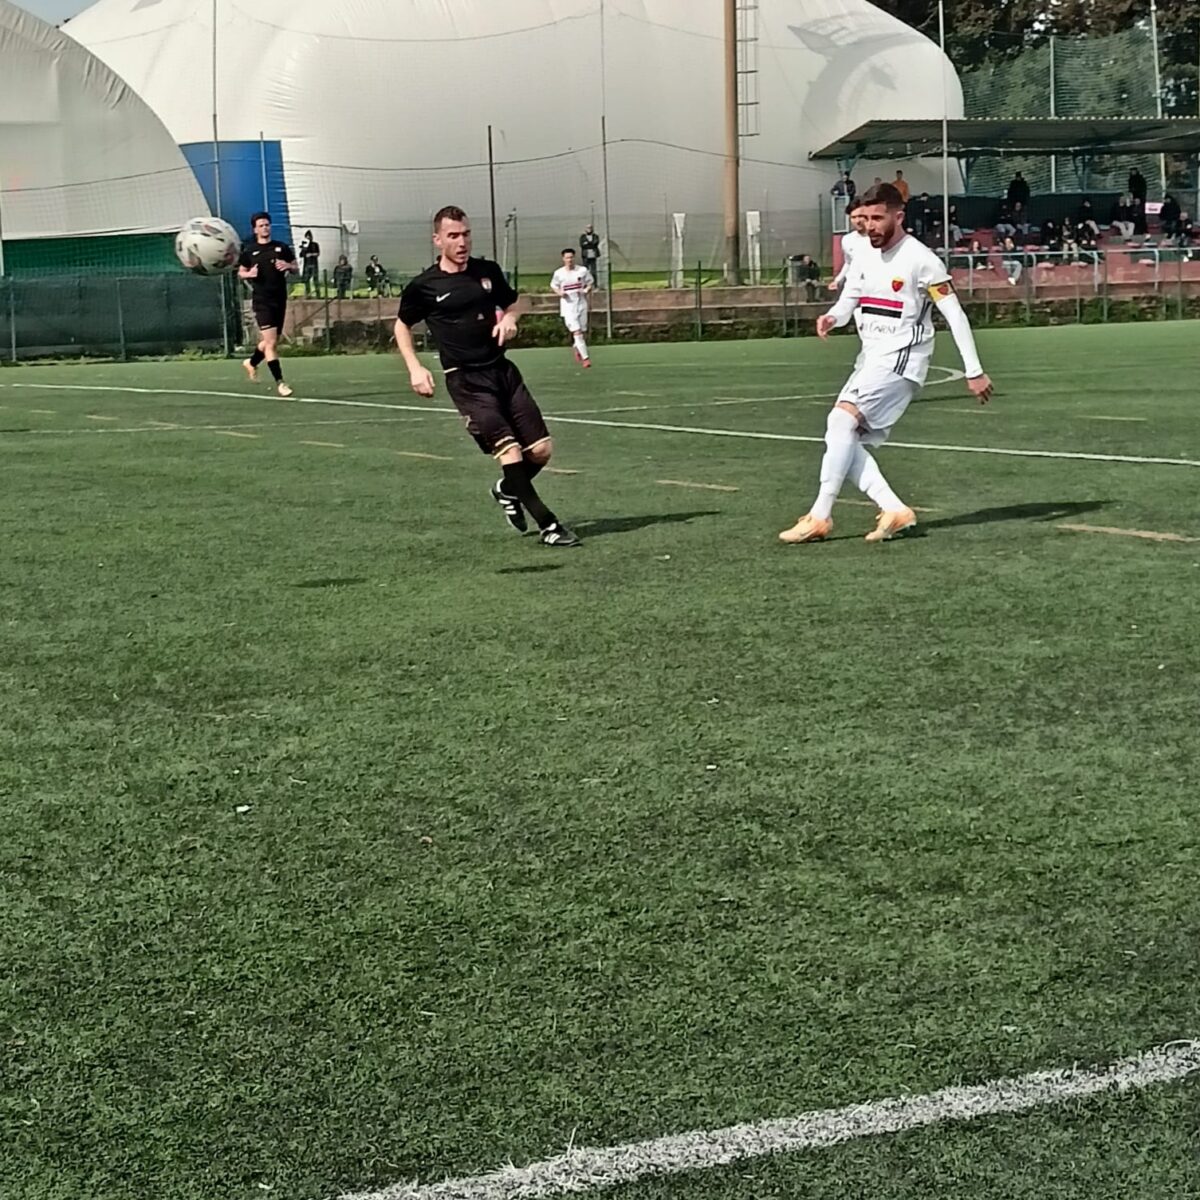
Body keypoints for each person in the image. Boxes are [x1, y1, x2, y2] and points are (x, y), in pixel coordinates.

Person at [779, 182, 992, 545]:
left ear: (899, 216)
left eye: (878, 218)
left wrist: (974, 370)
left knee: (841, 422)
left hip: (903, 357)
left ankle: (819, 516)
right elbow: (852, 295)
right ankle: (894, 509)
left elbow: (954, 315)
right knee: (841, 434)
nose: (870, 226)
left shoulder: (922, 260)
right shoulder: (863, 250)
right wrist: (834, 316)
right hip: (871, 357)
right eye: (866, 219)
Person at [394, 205, 578, 547]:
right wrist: (415, 368)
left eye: (465, 234)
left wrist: (510, 319)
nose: (461, 242)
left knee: (541, 450)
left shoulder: (487, 271)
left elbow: (513, 303)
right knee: (510, 451)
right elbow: (401, 325)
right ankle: (549, 525)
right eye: (453, 236)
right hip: (466, 380)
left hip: (503, 371)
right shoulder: (424, 286)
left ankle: (508, 488)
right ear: (437, 240)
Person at [238, 211, 297, 398]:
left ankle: (252, 362)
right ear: (255, 230)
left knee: (271, 341)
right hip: (262, 301)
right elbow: (241, 272)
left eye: (267, 225)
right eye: (261, 225)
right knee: (271, 344)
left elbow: (296, 267)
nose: (265, 228)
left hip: (279, 298)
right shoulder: (250, 251)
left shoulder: (281, 247)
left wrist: (288, 266)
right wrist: (249, 274)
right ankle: (281, 383)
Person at [550, 248, 595, 367]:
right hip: (568, 306)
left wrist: (586, 290)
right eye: (567, 257)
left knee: (582, 331)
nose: (570, 260)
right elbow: (554, 286)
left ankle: (577, 347)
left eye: (571, 257)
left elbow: (590, 282)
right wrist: (560, 293)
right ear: (563, 259)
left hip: (581, 304)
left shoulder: (582, 270)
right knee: (577, 331)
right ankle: (586, 359)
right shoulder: (559, 273)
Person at [829, 200, 869, 291]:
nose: (857, 221)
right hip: (853, 284)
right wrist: (837, 280)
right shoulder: (847, 239)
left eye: (860, 216)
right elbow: (848, 262)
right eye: (853, 217)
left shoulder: (878, 238)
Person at [299, 230, 321, 297]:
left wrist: (311, 254)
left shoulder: (315, 244)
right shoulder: (304, 245)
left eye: (309, 237)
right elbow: (301, 255)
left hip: (313, 264)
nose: (308, 238)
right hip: (307, 264)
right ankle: (308, 294)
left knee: (315, 279)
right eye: (307, 237)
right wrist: (303, 249)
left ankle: (318, 294)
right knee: (306, 280)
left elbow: (317, 253)